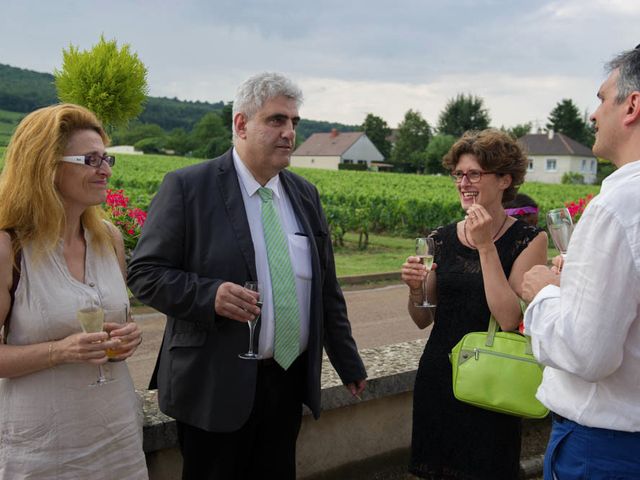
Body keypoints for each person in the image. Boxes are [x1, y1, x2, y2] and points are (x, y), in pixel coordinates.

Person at [127, 72, 367, 479]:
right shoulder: (189, 187)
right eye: (276, 120)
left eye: (294, 122)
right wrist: (209, 295)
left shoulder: (304, 194)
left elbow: (325, 288)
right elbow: (145, 273)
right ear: (241, 124)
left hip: (286, 383)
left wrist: (348, 361)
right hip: (214, 384)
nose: (289, 132)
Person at [0, 104, 147, 479]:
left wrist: (129, 337)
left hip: (117, 438)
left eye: (106, 158)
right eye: (90, 159)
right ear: (45, 166)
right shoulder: (9, 248)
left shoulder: (109, 239)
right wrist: (60, 351)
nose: (105, 170)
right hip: (42, 448)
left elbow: (120, 324)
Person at [401, 129, 548, 479]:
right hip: (440, 378)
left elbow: (510, 317)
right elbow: (423, 319)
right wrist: (414, 289)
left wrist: (485, 247)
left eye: (474, 174)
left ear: (505, 180)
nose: (463, 183)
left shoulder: (530, 239)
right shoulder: (440, 237)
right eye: (459, 174)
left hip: (492, 384)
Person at [522, 46, 640, 480]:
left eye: (600, 98)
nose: (593, 115)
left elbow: (587, 353)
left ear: (631, 105)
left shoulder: (619, 206)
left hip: (607, 450)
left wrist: (543, 294)